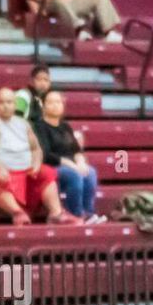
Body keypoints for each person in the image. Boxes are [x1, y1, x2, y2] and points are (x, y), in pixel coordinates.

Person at [0, 88, 79, 226]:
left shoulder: (23, 123)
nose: (6, 106)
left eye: (9, 102)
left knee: (47, 172)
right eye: (1, 102)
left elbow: (36, 149)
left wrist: (36, 164)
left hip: (23, 167)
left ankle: (56, 213)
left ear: (14, 104)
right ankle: (17, 212)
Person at [34, 91, 105, 224]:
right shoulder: (39, 126)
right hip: (51, 165)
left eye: (58, 102)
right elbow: (46, 153)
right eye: (50, 102)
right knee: (74, 175)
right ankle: (76, 213)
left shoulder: (65, 126)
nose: (55, 105)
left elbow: (76, 150)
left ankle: (89, 213)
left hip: (70, 164)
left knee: (90, 172)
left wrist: (81, 161)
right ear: (43, 106)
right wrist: (70, 164)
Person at [20, 0, 123, 42]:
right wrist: (38, 12)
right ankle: (79, 30)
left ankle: (108, 32)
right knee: (58, 0)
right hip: (49, 1)